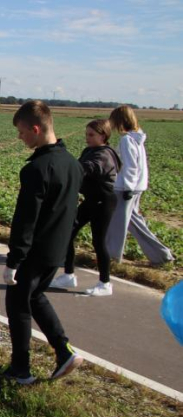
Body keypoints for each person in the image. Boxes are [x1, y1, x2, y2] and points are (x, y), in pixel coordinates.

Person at [0, 101, 83, 385]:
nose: (20, 138)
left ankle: (20, 370)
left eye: (21, 132)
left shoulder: (37, 169)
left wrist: (13, 260)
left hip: (34, 252)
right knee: (36, 297)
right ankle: (64, 350)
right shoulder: (73, 164)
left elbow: (26, 220)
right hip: (57, 251)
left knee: (17, 306)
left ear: (35, 128)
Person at [49, 120, 120, 296]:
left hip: (104, 202)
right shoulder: (90, 151)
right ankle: (68, 275)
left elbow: (85, 168)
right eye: (86, 134)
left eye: (91, 135)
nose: (87, 138)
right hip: (91, 200)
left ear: (103, 135)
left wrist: (67, 166)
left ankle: (105, 283)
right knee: (68, 231)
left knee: (98, 241)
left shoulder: (105, 155)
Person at [105, 105, 175, 266]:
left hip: (125, 188)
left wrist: (128, 187)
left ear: (119, 121)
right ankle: (162, 256)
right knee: (134, 223)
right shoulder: (137, 138)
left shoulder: (126, 140)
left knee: (118, 224)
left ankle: (112, 257)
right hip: (136, 187)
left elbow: (130, 166)